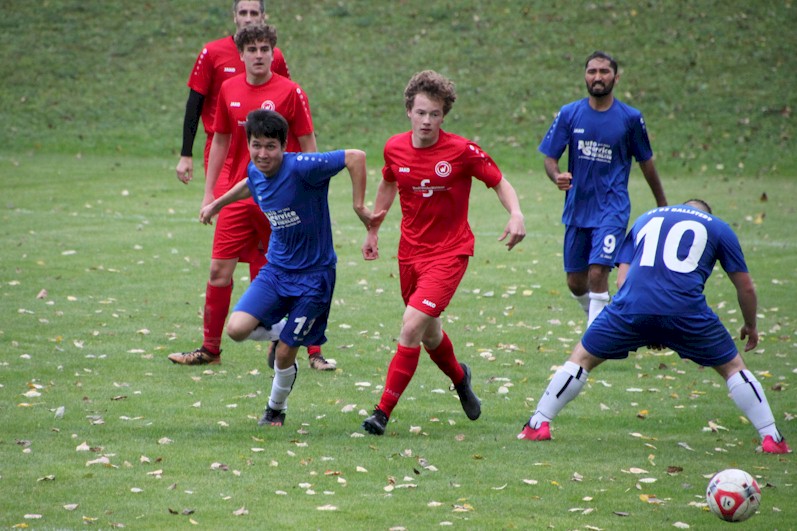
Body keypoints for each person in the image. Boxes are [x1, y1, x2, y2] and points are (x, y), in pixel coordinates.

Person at [518, 199, 791, 454]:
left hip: (632, 307)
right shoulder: (717, 226)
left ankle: (538, 423)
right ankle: (771, 438)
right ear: (705, 213)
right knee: (733, 368)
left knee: (582, 358)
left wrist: (646, 326)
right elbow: (745, 287)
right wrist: (750, 325)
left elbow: (623, 281)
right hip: (686, 312)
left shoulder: (646, 218)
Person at [360, 70, 526, 436]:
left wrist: (515, 213)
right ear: (409, 111)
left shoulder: (461, 151)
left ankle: (381, 412)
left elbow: (500, 181)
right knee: (430, 333)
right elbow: (389, 180)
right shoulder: (394, 147)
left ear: (443, 115)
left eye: (434, 114)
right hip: (409, 254)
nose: (427, 121)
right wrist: (374, 228)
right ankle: (460, 376)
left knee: (410, 326)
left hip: (450, 253)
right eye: (421, 112)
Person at [199, 109, 383, 426]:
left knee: (284, 353)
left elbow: (356, 156)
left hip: (315, 277)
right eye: (256, 145)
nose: (263, 153)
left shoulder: (302, 168)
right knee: (236, 330)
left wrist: (358, 206)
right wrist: (217, 203)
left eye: (271, 146)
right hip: (277, 271)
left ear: (284, 146)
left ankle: (275, 410)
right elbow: (249, 182)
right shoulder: (256, 169)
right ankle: (290, 332)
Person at [169, 24, 333, 370]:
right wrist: (210, 193)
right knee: (218, 270)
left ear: (273, 53)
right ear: (240, 54)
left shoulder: (291, 92)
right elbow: (221, 141)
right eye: (252, 49)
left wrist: (312, 193)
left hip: (282, 199)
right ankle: (210, 350)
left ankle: (311, 352)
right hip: (240, 193)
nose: (259, 55)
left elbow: (308, 144)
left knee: (294, 269)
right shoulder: (228, 88)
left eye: (264, 49)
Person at [539, 50, 667, 327]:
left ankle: (595, 340)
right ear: (585, 76)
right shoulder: (569, 114)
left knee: (598, 273)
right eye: (592, 71)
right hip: (578, 208)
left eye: (604, 72)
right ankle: (597, 318)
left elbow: (646, 163)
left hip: (612, 207)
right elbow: (550, 157)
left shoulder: (630, 118)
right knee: (576, 282)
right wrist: (557, 176)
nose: (597, 77)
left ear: (616, 78)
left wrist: (662, 205)